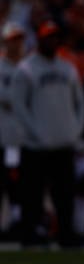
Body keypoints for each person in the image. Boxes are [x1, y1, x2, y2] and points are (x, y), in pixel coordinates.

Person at [11, 21, 84, 247]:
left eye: (55, 37)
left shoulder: (68, 68)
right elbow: (19, 105)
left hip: (63, 143)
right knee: (31, 196)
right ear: (39, 40)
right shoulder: (26, 69)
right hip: (36, 146)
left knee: (65, 196)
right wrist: (35, 132)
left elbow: (80, 103)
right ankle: (30, 236)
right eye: (47, 37)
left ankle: (66, 236)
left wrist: (76, 130)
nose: (52, 41)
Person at [0, 22, 26, 238]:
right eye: (12, 39)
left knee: (22, 186)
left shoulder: (29, 66)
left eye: (19, 39)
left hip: (24, 138)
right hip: (3, 136)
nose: (16, 44)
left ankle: (22, 224)